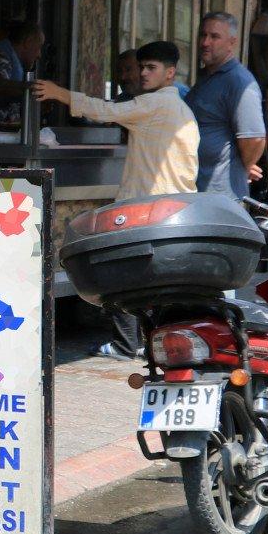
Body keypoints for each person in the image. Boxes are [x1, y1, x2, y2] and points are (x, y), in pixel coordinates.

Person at [35, 41, 200, 360]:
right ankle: (144, 342)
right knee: (152, 281)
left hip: (147, 209)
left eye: (151, 68)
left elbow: (107, 111)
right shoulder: (180, 110)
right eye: (142, 67)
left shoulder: (156, 105)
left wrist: (60, 93)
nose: (143, 73)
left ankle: (127, 344)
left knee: (120, 274)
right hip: (172, 209)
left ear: (170, 73)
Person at [185, 12, 266, 202]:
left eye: (214, 36)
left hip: (221, 197)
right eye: (203, 35)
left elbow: (254, 139)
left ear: (232, 42)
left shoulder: (239, 82)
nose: (205, 42)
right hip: (198, 191)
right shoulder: (207, 76)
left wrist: (242, 168)